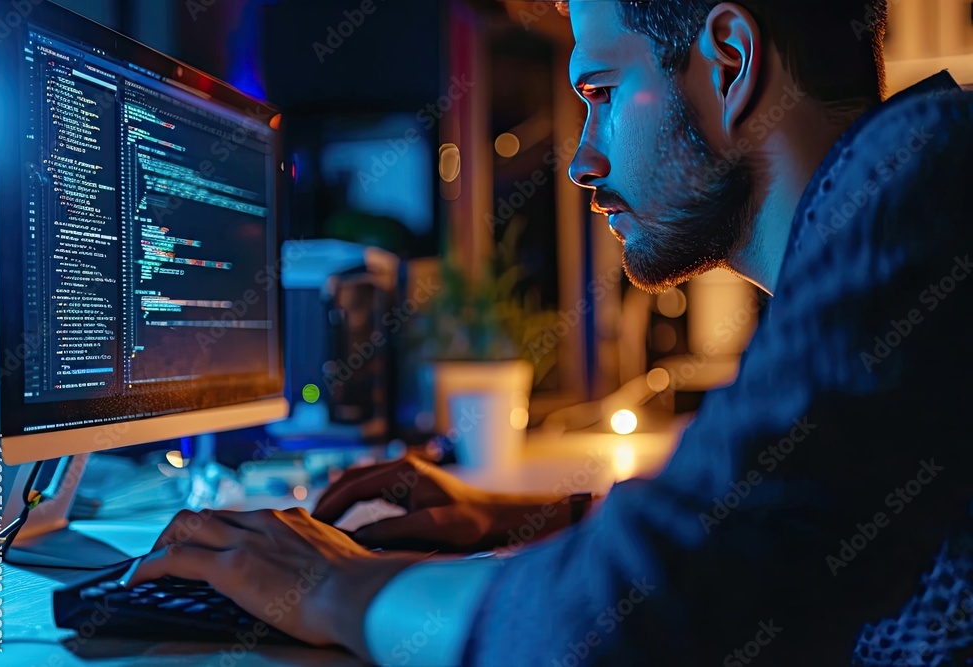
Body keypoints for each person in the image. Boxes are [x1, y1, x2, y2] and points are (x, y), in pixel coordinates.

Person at [129, 0, 973, 664]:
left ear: (728, 62)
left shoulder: (922, 176)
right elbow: (784, 524)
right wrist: (517, 517)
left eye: (602, 93)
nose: (581, 161)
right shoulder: (886, 219)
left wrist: (338, 588)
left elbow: (647, 611)